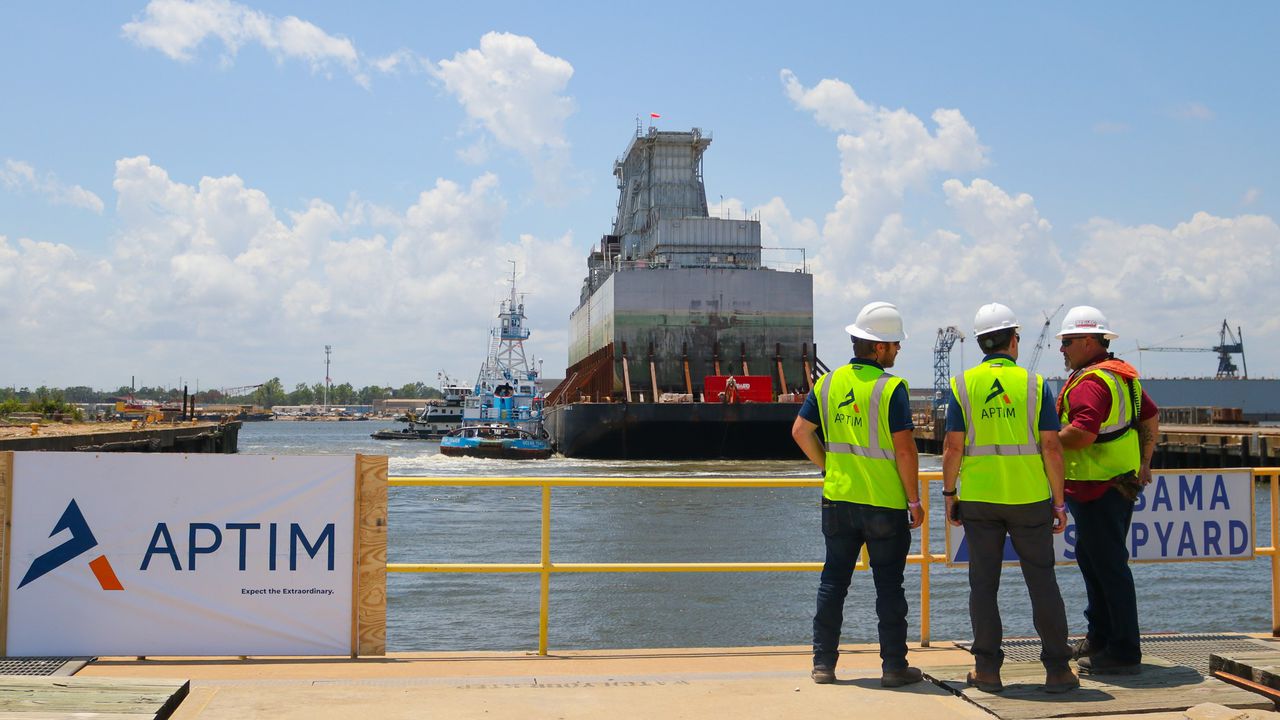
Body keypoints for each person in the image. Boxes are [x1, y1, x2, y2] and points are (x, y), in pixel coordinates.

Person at [942, 303, 1078, 694]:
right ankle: (1057, 671)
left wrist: (950, 495)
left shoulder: (963, 385)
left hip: (980, 502)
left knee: (983, 585)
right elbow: (1052, 448)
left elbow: (952, 449)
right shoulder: (1036, 385)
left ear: (983, 342)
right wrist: (1058, 502)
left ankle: (987, 671)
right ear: (1014, 340)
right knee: (1042, 582)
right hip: (1030, 499)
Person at [791, 301, 923, 687]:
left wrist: (828, 467)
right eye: (895, 344)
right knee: (889, 587)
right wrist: (914, 500)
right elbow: (904, 450)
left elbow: (800, 431)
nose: (898, 350)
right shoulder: (891, 389)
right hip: (883, 504)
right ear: (878, 348)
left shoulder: (827, 383)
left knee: (833, 584)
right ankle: (894, 668)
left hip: (838, 501)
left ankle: (823, 665)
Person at [1056, 305, 1159, 675]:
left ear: (1087, 342)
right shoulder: (1121, 377)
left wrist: (1043, 442)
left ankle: (1124, 650)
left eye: (1067, 342)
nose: (1062, 350)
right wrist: (1145, 462)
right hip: (1118, 484)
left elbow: (1082, 434)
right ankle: (1100, 636)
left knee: (1108, 567)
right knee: (1096, 562)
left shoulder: (1091, 382)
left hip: (1096, 488)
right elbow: (1150, 415)